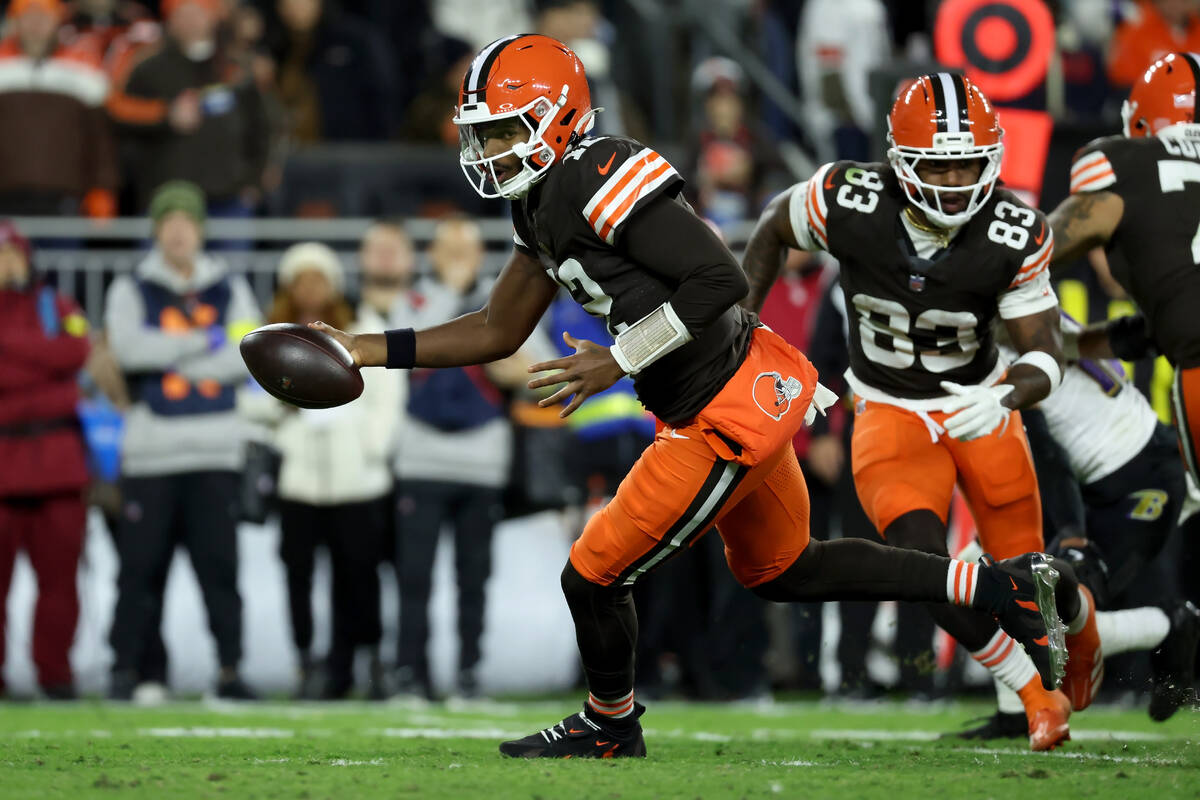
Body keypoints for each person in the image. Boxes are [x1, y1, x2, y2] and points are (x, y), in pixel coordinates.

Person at [309, 35, 1073, 759]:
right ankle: (998, 591)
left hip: (719, 408)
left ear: (559, 117)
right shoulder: (540, 199)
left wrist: (618, 358)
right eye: (485, 133)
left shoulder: (596, 172)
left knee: (593, 574)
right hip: (727, 394)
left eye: (506, 130)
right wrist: (369, 349)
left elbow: (720, 279)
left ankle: (609, 724)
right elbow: (498, 328)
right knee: (788, 569)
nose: (491, 149)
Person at [740, 73, 1101, 751]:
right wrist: (741, 325)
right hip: (890, 409)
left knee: (1030, 583)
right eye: (939, 165)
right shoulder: (847, 197)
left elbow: (1046, 352)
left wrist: (1003, 395)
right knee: (925, 569)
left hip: (980, 407)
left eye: (969, 163)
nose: (956, 181)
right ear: (900, 161)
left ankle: (1081, 625)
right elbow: (770, 228)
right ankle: (1033, 696)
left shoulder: (1015, 229)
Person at [957, 315, 1200, 738]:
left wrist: (1071, 531)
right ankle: (1014, 710)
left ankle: (1173, 624)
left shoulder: (996, 345)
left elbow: (1045, 449)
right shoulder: (1026, 310)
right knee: (974, 571)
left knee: (1061, 612)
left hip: (1139, 475)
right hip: (1091, 475)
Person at [104, 180, 261, 700]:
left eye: (186, 221)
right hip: (151, 455)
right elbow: (127, 350)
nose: (178, 231)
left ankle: (230, 671)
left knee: (220, 571)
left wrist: (170, 356)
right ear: (155, 230)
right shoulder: (130, 287)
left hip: (216, 452)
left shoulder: (230, 286)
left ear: (200, 229)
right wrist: (202, 340)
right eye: (168, 221)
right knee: (139, 572)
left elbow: (247, 352)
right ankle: (130, 669)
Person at [239, 242, 398, 699]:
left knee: (359, 576)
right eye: (301, 281)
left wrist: (371, 449)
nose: (310, 290)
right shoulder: (267, 337)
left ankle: (361, 661)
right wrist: (285, 403)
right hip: (297, 480)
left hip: (357, 479)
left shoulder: (363, 328)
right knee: (299, 576)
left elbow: (388, 393)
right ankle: (307, 662)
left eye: (318, 280)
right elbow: (248, 401)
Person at [391, 216, 532, 700]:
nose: (456, 259)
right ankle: (410, 672)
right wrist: (456, 299)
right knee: (414, 576)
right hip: (421, 457)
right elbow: (402, 352)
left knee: (474, 577)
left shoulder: (507, 300)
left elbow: (532, 369)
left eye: (464, 250)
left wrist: (504, 357)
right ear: (431, 256)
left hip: (482, 459)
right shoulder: (412, 299)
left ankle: (469, 672)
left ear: (479, 255)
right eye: (447, 249)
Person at [1047, 52, 1200, 490]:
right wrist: (1072, 344)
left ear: (1143, 120)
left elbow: (1033, 250)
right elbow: (1159, 328)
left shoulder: (1126, 162)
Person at [0, 222, 91, 699]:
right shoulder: (54, 314)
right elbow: (61, 363)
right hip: (5, 465)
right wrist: (46, 365)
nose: (6, 264)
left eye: (11, 254)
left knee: (60, 582)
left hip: (59, 466)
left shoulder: (59, 306)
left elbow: (77, 350)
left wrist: (9, 350)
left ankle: (55, 674)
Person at [107, 0, 270, 215]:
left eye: (197, 12)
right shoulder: (148, 68)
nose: (190, 22)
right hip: (167, 197)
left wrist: (253, 181)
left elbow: (261, 128)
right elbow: (118, 114)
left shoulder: (235, 69)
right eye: (181, 14)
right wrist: (166, 114)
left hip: (229, 197)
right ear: (170, 20)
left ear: (213, 17)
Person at [0, 0, 118, 217]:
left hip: (66, 197)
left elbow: (100, 140)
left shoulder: (84, 70)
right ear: (15, 23)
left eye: (43, 17)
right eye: (28, 17)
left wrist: (102, 190)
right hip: (5, 197)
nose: (35, 25)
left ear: (58, 21)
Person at [1107, 0, 1200, 89]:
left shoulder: (1197, 28)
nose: (1176, 4)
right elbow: (1122, 78)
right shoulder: (1136, 30)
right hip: (1150, 95)